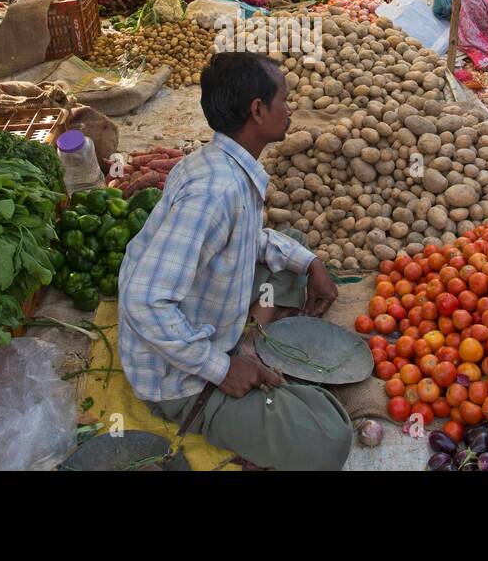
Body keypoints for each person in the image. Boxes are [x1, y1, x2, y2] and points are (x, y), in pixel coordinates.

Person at [117, 52, 351, 470]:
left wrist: (311, 263)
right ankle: (246, 372)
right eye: (284, 99)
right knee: (329, 442)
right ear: (258, 110)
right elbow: (143, 300)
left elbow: (247, 238)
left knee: (291, 246)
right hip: (177, 378)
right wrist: (221, 368)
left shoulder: (218, 163)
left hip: (204, 322)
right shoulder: (215, 190)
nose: (291, 108)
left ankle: (255, 345)